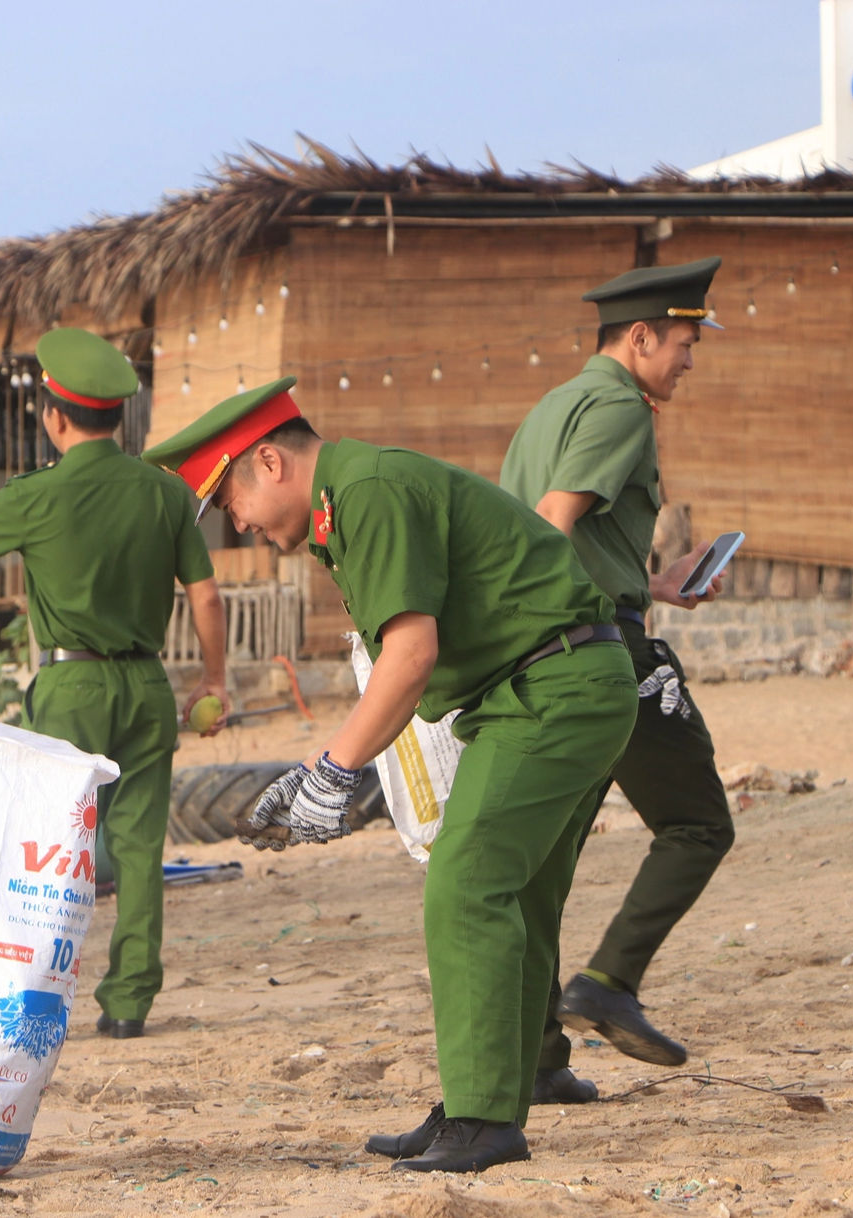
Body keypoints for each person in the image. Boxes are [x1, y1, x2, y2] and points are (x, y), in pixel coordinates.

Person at [143, 379, 637, 1173]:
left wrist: (331, 773)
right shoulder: (355, 494)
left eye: (228, 498)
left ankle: (483, 1118)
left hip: (550, 691)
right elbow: (398, 668)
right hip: (562, 684)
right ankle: (491, 1096)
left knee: (467, 883)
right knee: (515, 892)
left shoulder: (363, 491)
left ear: (268, 461)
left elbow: (409, 659)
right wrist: (318, 768)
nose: (233, 521)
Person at [0, 327, 230, 1039]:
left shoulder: (40, 493)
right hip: (149, 687)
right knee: (138, 847)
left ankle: (36, 992)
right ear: (119, 418)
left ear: (54, 418)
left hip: (70, 689)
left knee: (52, 850)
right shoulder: (164, 492)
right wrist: (212, 678)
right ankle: (128, 1003)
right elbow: (207, 596)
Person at [499, 256, 735, 1103]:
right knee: (698, 824)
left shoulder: (550, 407)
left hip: (542, 659)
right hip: (601, 660)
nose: (689, 360)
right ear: (637, 338)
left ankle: (533, 1061)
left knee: (542, 864)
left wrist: (652, 584)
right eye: (681, 341)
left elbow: (556, 529)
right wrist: (600, 624)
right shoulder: (617, 409)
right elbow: (549, 526)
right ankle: (608, 981)